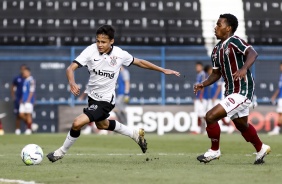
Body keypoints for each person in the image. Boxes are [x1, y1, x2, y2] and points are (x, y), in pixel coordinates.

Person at [46, 25, 180, 162]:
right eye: (98, 41)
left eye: (103, 42)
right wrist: (72, 82)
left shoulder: (120, 54)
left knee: (77, 123)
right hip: (92, 97)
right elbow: (70, 68)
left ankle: (60, 152)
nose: (99, 44)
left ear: (112, 41)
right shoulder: (90, 50)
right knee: (102, 125)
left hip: (106, 100)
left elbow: (140, 62)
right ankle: (135, 134)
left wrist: (163, 70)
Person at [193, 14, 270, 164]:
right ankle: (261, 148)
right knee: (242, 125)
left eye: (219, 25)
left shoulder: (235, 42)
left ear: (228, 28)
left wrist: (244, 68)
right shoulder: (216, 50)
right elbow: (216, 74)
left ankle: (214, 150)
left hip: (243, 90)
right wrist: (204, 83)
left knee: (210, 116)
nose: (215, 28)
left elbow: (253, 53)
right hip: (231, 91)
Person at [204, 65, 235, 134]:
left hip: (216, 99)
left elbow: (219, 87)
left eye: (209, 70)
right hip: (210, 99)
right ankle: (209, 129)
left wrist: (215, 96)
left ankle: (229, 126)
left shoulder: (217, 76)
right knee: (208, 114)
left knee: (215, 114)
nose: (208, 72)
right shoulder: (209, 78)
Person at [19, 67, 36, 135]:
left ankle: (29, 129)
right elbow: (24, 91)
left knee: (28, 115)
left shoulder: (31, 80)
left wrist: (29, 100)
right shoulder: (25, 80)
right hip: (23, 101)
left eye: (25, 72)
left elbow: (32, 91)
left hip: (28, 101)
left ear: (29, 72)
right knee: (21, 114)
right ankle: (32, 125)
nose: (24, 73)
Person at [11, 64, 27, 135]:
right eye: (22, 69)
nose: (23, 70)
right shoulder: (17, 78)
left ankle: (28, 128)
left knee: (26, 114)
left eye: (24, 69)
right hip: (18, 99)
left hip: (26, 99)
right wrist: (13, 96)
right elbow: (12, 86)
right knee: (18, 115)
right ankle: (17, 129)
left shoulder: (28, 79)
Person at [192, 62, 207, 134]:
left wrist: (201, 96)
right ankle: (198, 129)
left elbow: (203, 85)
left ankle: (206, 129)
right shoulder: (198, 75)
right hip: (198, 97)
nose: (197, 68)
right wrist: (196, 96)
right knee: (198, 114)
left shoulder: (203, 74)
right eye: (196, 67)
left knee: (203, 114)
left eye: (198, 66)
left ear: (201, 67)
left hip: (202, 98)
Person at [268, 62, 282, 135]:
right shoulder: (281, 75)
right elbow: (279, 88)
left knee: (280, 114)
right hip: (280, 97)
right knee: (280, 114)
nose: (280, 68)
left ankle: (277, 129)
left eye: (281, 66)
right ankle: (277, 129)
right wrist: (274, 96)